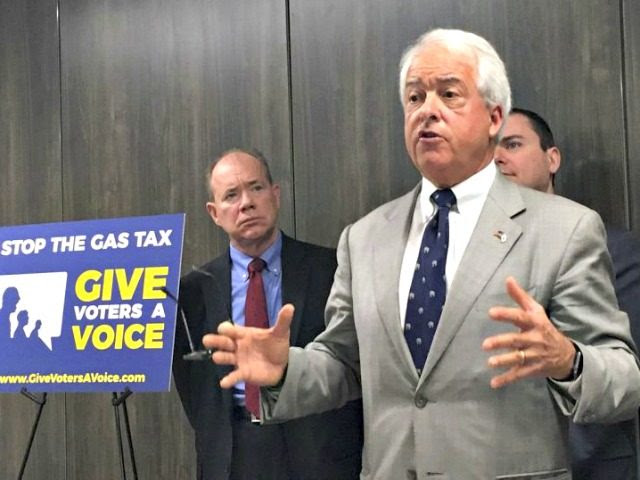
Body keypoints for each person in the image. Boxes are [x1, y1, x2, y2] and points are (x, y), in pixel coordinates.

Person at [205, 29, 640, 479]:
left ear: (494, 117)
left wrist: (568, 360)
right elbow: (343, 362)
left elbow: (624, 379)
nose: (427, 110)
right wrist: (284, 371)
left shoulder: (563, 229)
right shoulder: (364, 238)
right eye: (414, 98)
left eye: (448, 94)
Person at [172, 148, 363, 480]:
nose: (246, 203)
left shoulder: (331, 269)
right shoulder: (192, 292)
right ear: (214, 213)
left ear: (275, 195)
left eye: (256, 188)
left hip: (321, 450)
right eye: (231, 195)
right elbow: (193, 388)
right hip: (233, 455)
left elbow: (350, 363)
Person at [495, 107, 640, 479]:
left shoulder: (614, 249)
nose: (498, 157)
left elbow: (625, 366)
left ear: (552, 159)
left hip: (587, 461)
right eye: (490, 149)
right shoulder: (474, 256)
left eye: (513, 144)